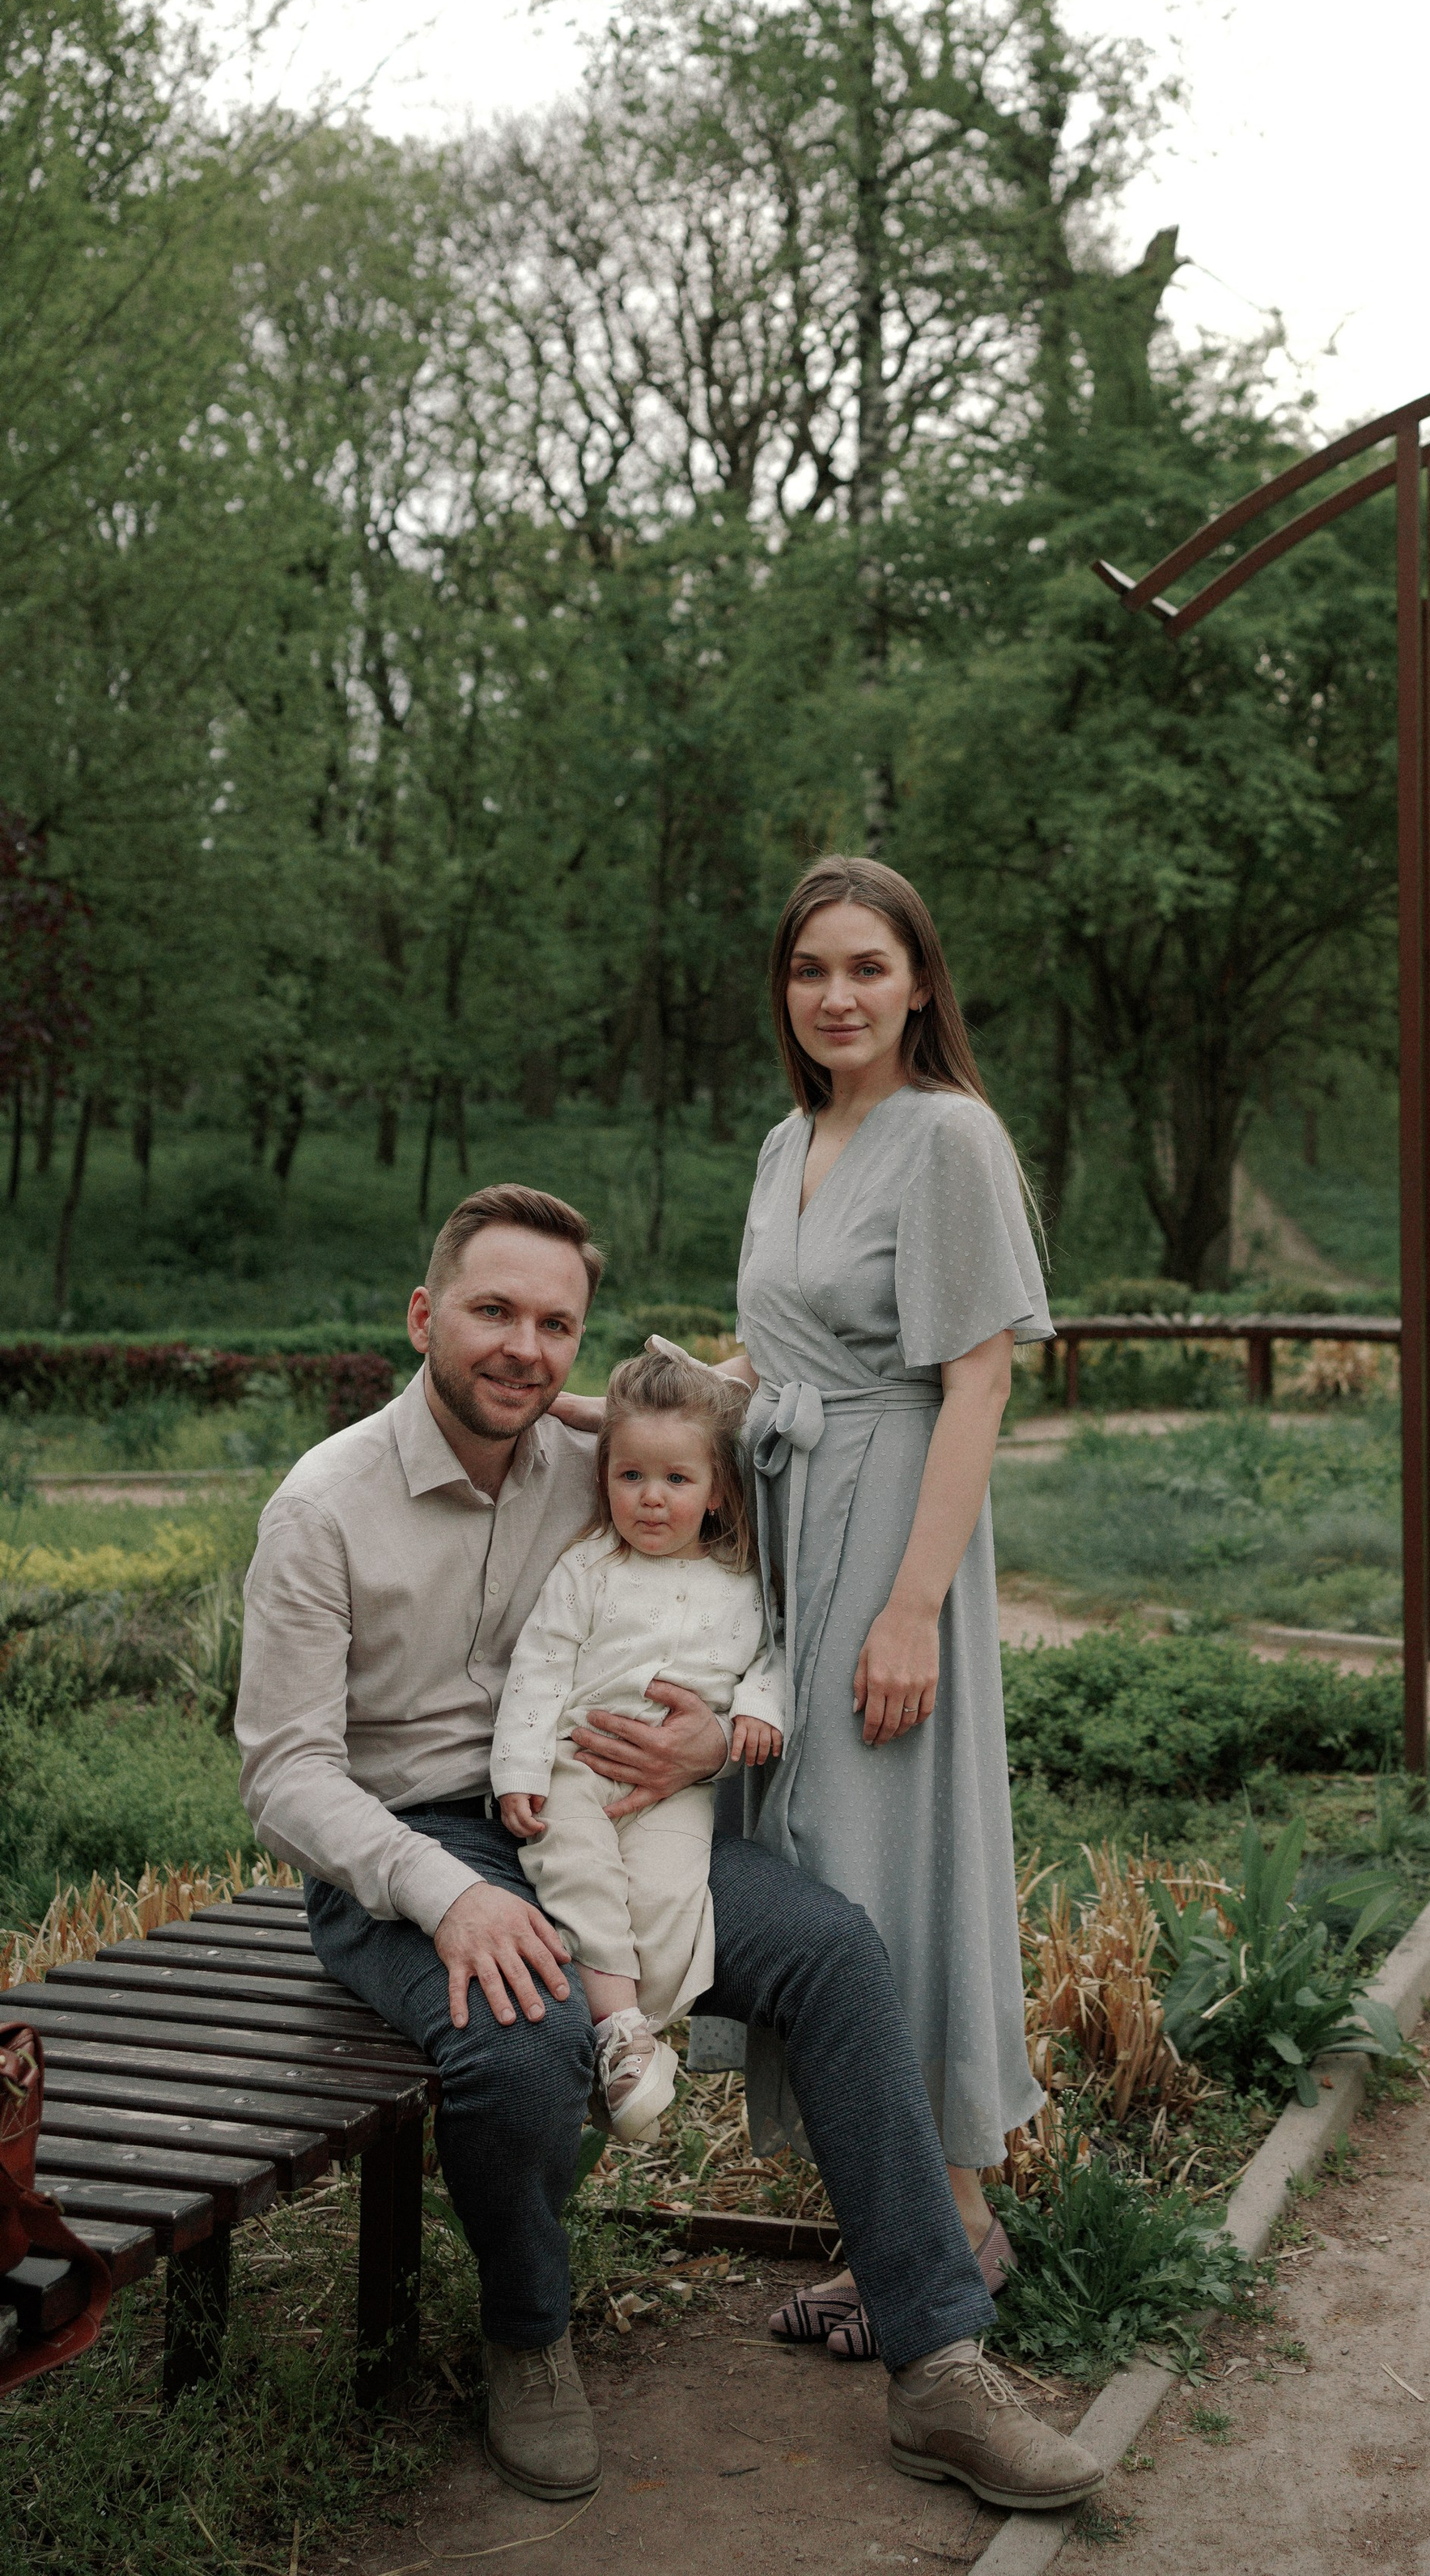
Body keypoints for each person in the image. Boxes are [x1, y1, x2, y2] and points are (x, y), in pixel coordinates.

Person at [236, 1181, 1103, 2517]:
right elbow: (285, 1771)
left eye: (553, 1323)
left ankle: (939, 2358)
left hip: (607, 1809)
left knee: (831, 1950)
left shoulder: (596, 1471)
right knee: (523, 2050)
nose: (523, 1347)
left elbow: (728, 1492)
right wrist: (448, 1894)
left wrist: (711, 1744)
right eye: (492, 1312)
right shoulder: (324, 1505)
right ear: (424, 1315)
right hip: (404, 1860)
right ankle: (527, 2336)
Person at [732, 856, 1052, 2360]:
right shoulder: (784, 1140)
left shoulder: (948, 1138)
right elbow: (764, 1369)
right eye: (812, 971)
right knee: (825, 1871)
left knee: (898, 1871)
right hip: (795, 1528)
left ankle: (961, 2231)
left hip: (894, 1537)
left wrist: (913, 1605)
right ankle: (894, 2224)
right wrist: (600, 1416)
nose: (838, 995)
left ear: (919, 979)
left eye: (868, 966)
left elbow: (979, 1378)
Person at [491, 1340, 785, 2143]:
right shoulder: (589, 1567)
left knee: (667, 1901)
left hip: (675, 1792)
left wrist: (759, 1707)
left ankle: (626, 2035)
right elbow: (541, 1667)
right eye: (630, 1477)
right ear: (606, 1479)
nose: (651, 1499)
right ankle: (619, 2032)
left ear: (719, 1492)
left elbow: (772, 1657)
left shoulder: (741, 1586)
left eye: (676, 1480)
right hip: (576, 1767)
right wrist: (519, 1769)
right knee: (579, 1876)